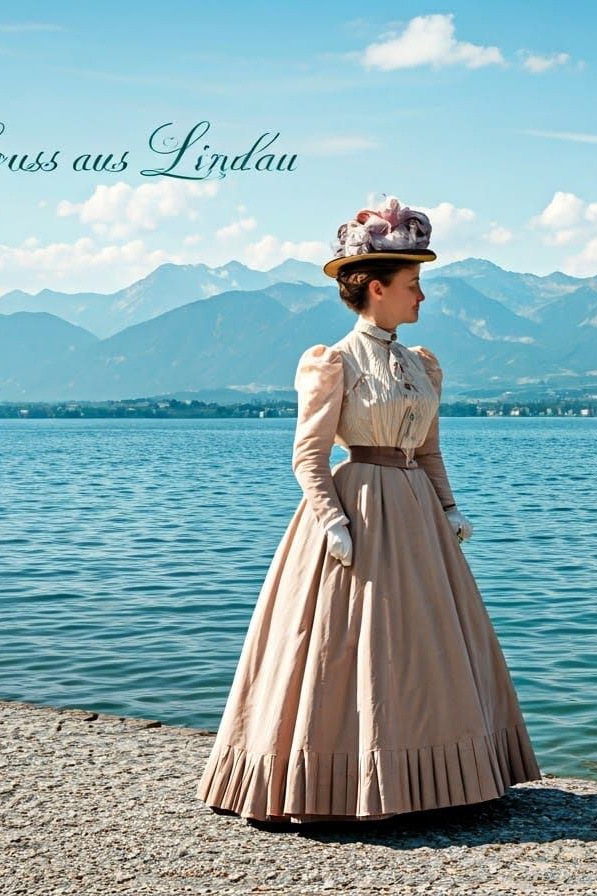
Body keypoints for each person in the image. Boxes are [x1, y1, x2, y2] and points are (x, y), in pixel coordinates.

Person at [197, 196, 540, 823]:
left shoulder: (420, 364)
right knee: (352, 651)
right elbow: (308, 455)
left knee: (423, 652)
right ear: (377, 289)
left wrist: (450, 507)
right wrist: (331, 520)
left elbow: (429, 448)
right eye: (413, 285)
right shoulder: (334, 361)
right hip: (358, 510)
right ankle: (341, 785)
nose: (422, 297)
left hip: (416, 519)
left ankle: (437, 782)